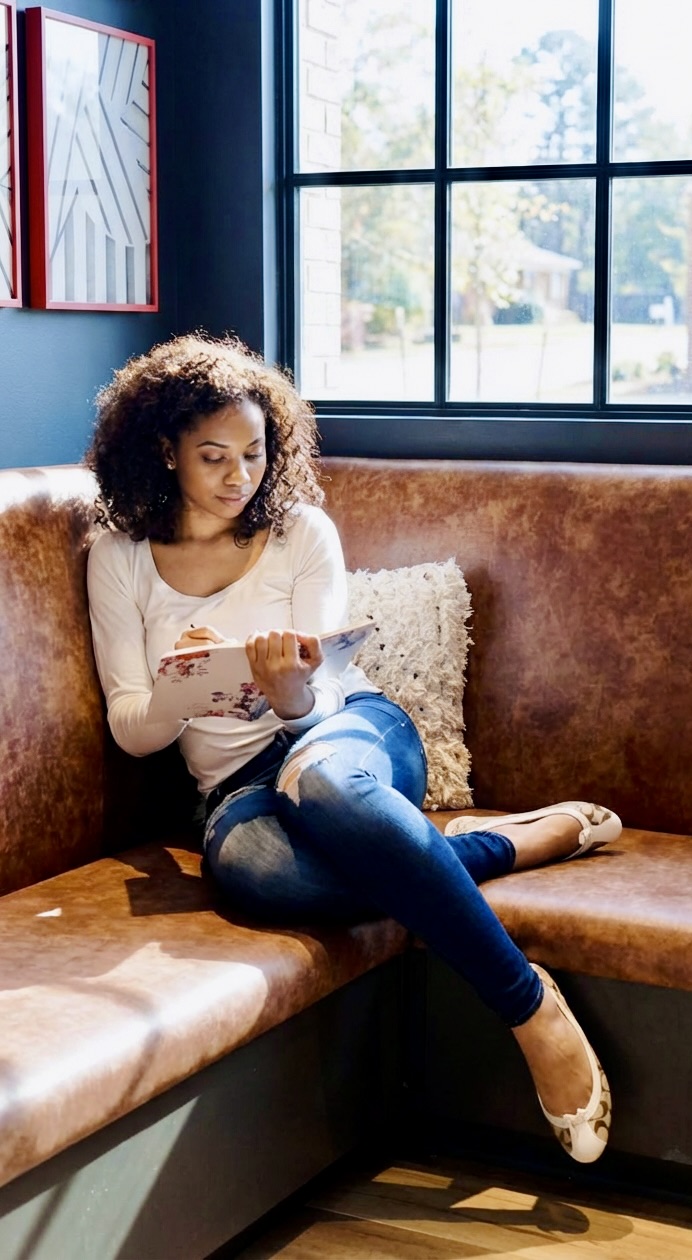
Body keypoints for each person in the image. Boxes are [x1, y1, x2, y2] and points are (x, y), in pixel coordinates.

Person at [85, 332, 621, 1165]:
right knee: (261, 875)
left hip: (348, 733)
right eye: (213, 456)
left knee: (326, 785)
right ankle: (489, 847)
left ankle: (529, 1008)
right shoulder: (119, 559)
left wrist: (292, 694)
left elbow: (327, 690)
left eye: (255, 453)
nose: (239, 477)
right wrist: (177, 690)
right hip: (235, 787)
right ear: (165, 452)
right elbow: (130, 725)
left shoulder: (302, 532)